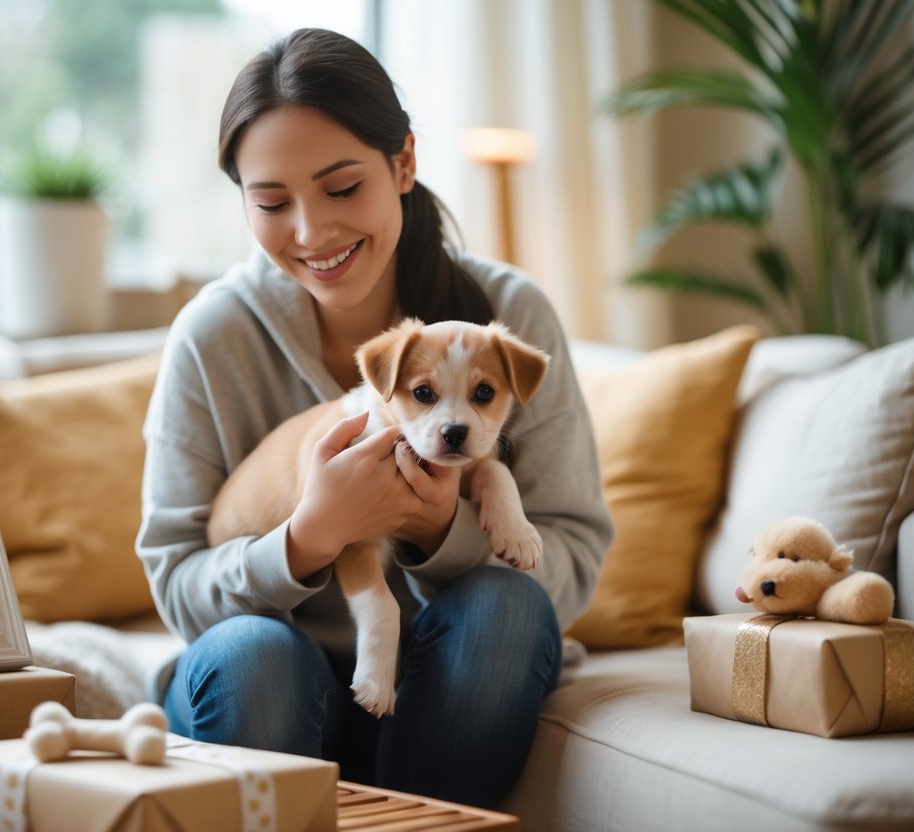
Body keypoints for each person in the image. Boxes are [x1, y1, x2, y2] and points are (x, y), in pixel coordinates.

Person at [136, 27, 612, 809]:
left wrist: (436, 534)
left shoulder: (508, 315)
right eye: (270, 202)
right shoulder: (211, 335)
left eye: (342, 187)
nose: (310, 232)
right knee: (255, 655)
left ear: (404, 165)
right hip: (265, 685)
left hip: (442, 689)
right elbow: (176, 581)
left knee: (504, 606)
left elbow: (569, 564)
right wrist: (307, 538)